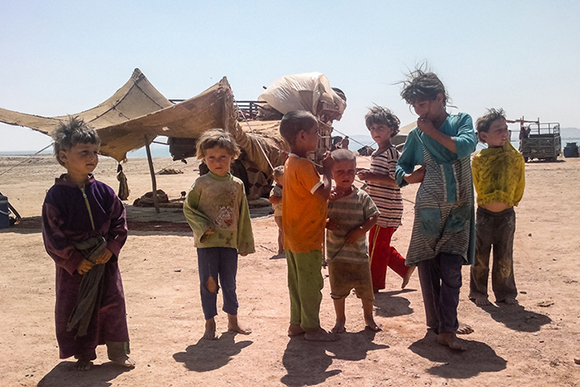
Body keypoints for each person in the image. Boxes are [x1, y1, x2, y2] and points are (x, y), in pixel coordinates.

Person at [42, 116, 134, 371]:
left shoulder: (105, 191)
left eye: (95, 152)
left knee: (113, 305)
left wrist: (110, 248)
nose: (92, 157)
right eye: (84, 152)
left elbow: (119, 221)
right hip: (76, 267)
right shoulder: (56, 196)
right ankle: (84, 355)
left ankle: (119, 353)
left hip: (105, 261)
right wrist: (73, 260)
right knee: (79, 309)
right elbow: (52, 234)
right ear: (64, 157)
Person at [394, 68, 477, 351]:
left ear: (440, 98)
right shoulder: (417, 135)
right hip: (429, 207)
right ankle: (439, 325)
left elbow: (465, 147)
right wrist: (408, 177)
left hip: (460, 209)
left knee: (452, 269)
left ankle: (448, 327)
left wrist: (431, 131)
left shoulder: (460, 121)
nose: (419, 111)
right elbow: (401, 166)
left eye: (423, 104)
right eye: (415, 106)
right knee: (428, 267)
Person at [183, 129, 255, 340]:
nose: (217, 162)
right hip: (207, 243)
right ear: (204, 159)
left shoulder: (237, 185)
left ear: (232, 156)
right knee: (209, 283)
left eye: (223, 157)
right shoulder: (201, 184)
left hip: (229, 242)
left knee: (230, 282)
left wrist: (244, 243)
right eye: (212, 157)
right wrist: (202, 226)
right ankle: (210, 323)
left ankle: (233, 321)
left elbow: (243, 216)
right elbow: (189, 209)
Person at [279, 110, 337, 341]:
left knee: (296, 283)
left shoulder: (291, 163)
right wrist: (329, 171)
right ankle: (312, 328)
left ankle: (297, 324)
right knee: (312, 284)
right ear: (302, 136)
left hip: (293, 236)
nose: (318, 137)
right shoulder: (303, 166)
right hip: (306, 238)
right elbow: (323, 194)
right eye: (316, 133)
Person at [470, 109, 525, 306]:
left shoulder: (514, 157)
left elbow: (519, 183)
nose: (505, 133)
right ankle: (478, 291)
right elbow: (477, 184)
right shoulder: (478, 159)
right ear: (484, 136)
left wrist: (511, 200)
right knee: (480, 256)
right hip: (484, 214)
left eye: (506, 129)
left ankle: (505, 292)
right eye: (498, 130)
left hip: (507, 215)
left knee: (505, 256)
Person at [357, 106, 415, 292]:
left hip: (387, 210)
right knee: (377, 245)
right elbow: (376, 179)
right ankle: (404, 267)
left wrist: (371, 177)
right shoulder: (376, 153)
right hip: (375, 208)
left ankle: (372, 285)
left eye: (380, 128)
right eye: (372, 129)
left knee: (376, 248)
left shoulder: (392, 154)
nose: (375, 133)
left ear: (391, 129)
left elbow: (396, 181)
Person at [326, 149, 380, 333]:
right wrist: (326, 222)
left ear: (356, 172)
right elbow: (316, 216)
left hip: (359, 255)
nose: (346, 175)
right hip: (336, 255)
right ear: (331, 174)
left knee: (366, 291)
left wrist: (361, 230)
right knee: (338, 291)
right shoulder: (327, 199)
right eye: (340, 171)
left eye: (350, 171)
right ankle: (340, 320)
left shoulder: (361, 197)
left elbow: (374, 216)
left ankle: (369, 318)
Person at [269, 165, 285, 256]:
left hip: (287, 211)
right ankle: (284, 249)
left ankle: (281, 249)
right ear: (276, 179)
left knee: (282, 231)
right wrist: (282, 200)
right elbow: (271, 199)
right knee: (283, 230)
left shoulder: (287, 187)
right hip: (279, 213)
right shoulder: (275, 189)